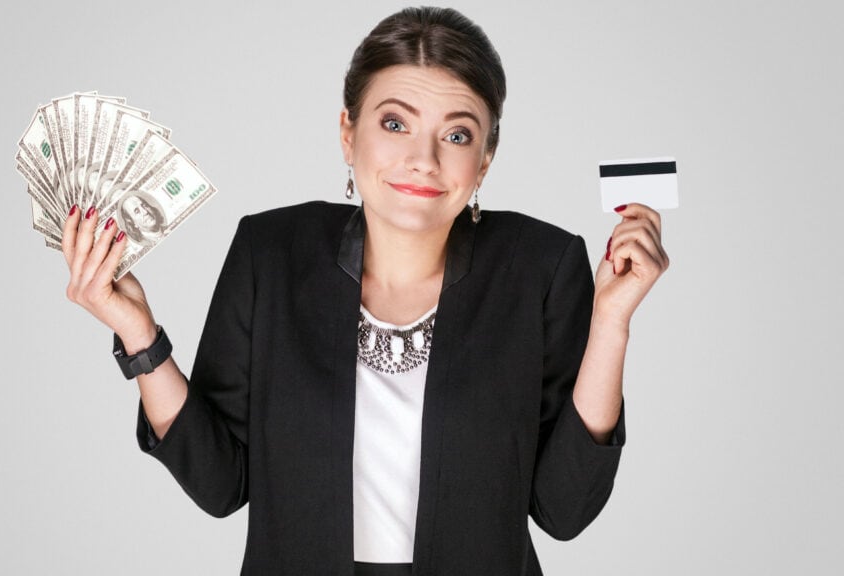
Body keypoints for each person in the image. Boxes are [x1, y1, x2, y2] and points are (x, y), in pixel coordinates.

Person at [60, 7, 669, 576]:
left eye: (457, 136)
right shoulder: (269, 253)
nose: (423, 159)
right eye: (395, 123)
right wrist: (139, 336)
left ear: (484, 161)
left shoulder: (542, 265)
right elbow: (221, 485)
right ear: (348, 133)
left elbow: (564, 510)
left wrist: (611, 323)